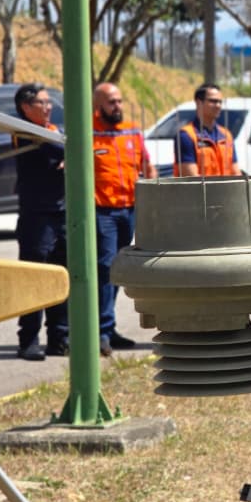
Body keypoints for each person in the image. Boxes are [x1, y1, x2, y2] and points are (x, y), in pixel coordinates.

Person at [92, 82, 156, 356]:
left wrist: (152, 196)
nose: (117, 106)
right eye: (111, 102)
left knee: (116, 271)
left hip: (128, 209)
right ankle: (101, 331)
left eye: (119, 101)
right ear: (98, 105)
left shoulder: (131, 130)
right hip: (102, 210)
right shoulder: (89, 133)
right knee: (106, 267)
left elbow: (147, 166)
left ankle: (108, 327)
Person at [13, 83, 68, 361]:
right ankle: (28, 340)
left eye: (49, 103)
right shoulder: (23, 131)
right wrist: (64, 155)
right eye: (42, 103)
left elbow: (67, 153)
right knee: (34, 278)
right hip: (37, 216)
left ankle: (59, 338)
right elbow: (58, 154)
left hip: (62, 212)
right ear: (26, 107)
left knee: (62, 276)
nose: (48, 108)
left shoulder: (53, 131)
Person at [176, 83, 242, 177]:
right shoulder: (186, 136)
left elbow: (236, 173)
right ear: (199, 102)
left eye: (220, 102)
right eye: (213, 101)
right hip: (200, 191)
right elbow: (191, 179)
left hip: (226, 191)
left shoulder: (226, 135)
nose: (218, 105)